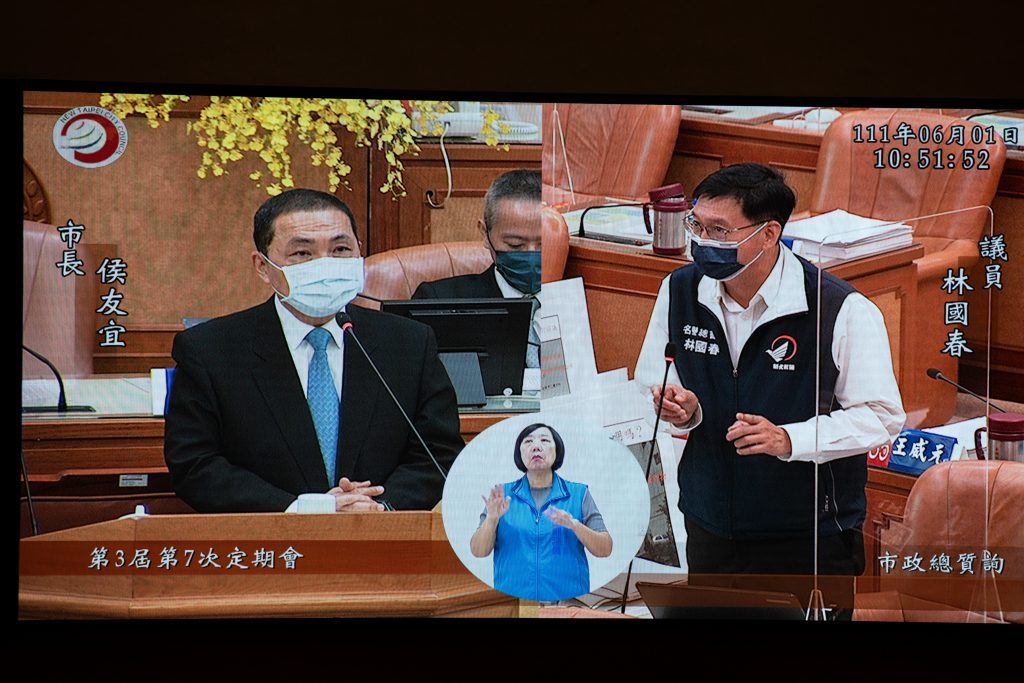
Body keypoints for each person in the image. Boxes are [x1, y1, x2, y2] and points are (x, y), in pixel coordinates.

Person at [635, 164, 905, 604]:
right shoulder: (680, 290)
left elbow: (881, 417)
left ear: (769, 234)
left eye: (720, 231)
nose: (703, 241)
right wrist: (683, 409)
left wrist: (788, 439)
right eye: (696, 226)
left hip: (805, 533)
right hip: (710, 523)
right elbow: (654, 377)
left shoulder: (840, 309)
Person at [164, 188, 464, 514]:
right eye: (302, 254)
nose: (325, 265)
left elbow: (439, 452)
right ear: (262, 266)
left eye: (340, 249)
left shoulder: (408, 342)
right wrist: (302, 509)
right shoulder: (210, 350)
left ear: (359, 251)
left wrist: (378, 507)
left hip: (381, 533)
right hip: (270, 537)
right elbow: (195, 464)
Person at [412, 169, 542, 368]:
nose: (531, 254)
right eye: (515, 245)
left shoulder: (582, 299)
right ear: (485, 234)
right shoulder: (438, 302)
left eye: (544, 244)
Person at [469, 423, 612, 602]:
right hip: (515, 604)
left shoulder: (579, 494)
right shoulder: (501, 496)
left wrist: (575, 525)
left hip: (567, 604)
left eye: (544, 440)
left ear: (557, 450)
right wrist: (491, 519)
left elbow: (605, 549)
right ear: (519, 453)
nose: (536, 446)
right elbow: (478, 551)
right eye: (528, 441)